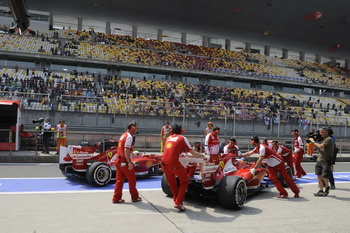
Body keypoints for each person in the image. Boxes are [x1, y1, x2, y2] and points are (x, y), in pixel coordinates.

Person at [162, 124, 209, 211]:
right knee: (185, 181)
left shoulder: (168, 138)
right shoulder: (182, 138)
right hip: (174, 163)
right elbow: (194, 153)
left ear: (171, 131)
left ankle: (177, 201)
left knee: (172, 183)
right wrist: (203, 155)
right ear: (182, 131)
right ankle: (178, 202)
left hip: (164, 163)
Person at [112, 121, 142, 204]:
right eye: (136, 128)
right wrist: (130, 162)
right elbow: (126, 150)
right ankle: (135, 197)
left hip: (118, 160)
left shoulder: (124, 134)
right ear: (133, 128)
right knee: (132, 179)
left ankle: (116, 198)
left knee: (119, 180)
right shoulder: (129, 137)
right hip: (124, 161)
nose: (137, 130)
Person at [308, 127, 334, 197]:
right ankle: (321, 190)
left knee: (324, 176)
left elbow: (320, 146)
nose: (320, 134)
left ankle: (327, 187)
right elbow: (320, 148)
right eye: (320, 132)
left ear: (326, 132)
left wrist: (313, 141)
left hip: (326, 160)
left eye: (322, 132)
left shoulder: (329, 139)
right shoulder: (323, 139)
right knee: (319, 176)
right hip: (319, 159)